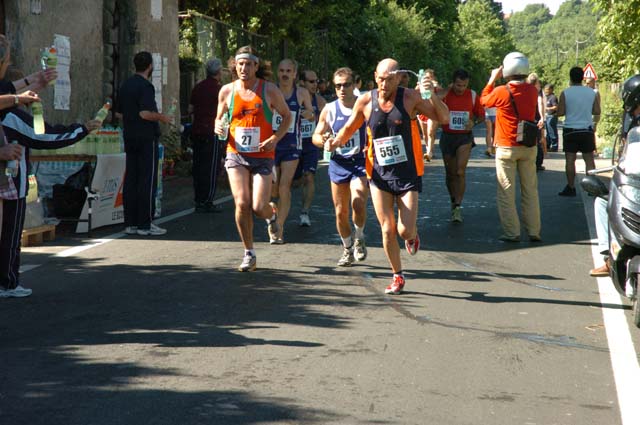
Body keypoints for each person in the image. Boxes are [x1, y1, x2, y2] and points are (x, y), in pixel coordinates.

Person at [330, 58, 449, 295]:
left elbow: (443, 117)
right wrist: (335, 141)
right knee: (387, 229)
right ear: (375, 76)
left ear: (398, 78)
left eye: (389, 79)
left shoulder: (410, 98)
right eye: (381, 79)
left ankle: (412, 236)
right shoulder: (365, 100)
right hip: (379, 173)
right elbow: (350, 128)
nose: (384, 84)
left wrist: (431, 94)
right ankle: (397, 275)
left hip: (407, 173)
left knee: (404, 230)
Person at [0, 97, 101, 298]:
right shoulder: (10, 116)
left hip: (7, 180)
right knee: (9, 234)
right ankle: (7, 282)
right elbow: (43, 136)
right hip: (9, 182)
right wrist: (82, 129)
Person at [214, 45, 292, 272]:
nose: (244, 68)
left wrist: (275, 139)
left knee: (258, 207)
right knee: (241, 203)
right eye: (240, 64)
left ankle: (271, 214)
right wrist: (218, 126)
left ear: (257, 66)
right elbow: (218, 120)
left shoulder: (269, 90)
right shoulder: (227, 91)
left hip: (263, 156)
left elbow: (286, 116)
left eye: (248, 64)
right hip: (235, 153)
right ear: (234, 66)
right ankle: (249, 253)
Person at [481, 52, 541, 242]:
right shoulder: (532, 90)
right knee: (530, 190)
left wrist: (492, 78)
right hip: (529, 145)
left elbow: (484, 101)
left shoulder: (501, 91)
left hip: (506, 146)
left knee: (506, 191)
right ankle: (534, 231)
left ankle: (512, 232)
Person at [312, 67, 369, 266]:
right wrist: (324, 142)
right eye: (338, 86)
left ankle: (359, 236)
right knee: (340, 212)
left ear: (355, 85)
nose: (342, 89)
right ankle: (347, 248)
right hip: (338, 163)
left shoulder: (364, 106)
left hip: (360, 162)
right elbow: (316, 135)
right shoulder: (330, 109)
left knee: (358, 201)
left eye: (346, 84)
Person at [115, 51, 172, 236]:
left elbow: (118, 113)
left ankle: (130, 222)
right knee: (147, 180)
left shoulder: (125, 85)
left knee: (131, 179)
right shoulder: (146, 86)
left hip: (129, 135)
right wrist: (163, 118)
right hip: (146, 137)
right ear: (149, 66)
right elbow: (145, 113)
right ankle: (145, 224)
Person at [270, 58, 314, 243]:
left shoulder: (302, 93)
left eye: (289, 71)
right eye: (281, 70)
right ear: (277, 73)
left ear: (295, 74)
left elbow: (311, 114)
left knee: (284, 186)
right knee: (272, 191)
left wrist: (308, 114)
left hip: (291, 145)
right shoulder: (270, 91)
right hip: (271, 144)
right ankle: (273, 218)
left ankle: (278, 228)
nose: (285, 74)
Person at [438, 68, 484, 223]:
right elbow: (431, 101)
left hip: (464, 137)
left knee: (460, 171)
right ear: (453, 83)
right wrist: (446, 90)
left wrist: (474, 122)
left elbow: (481, 115)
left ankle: (458, 206)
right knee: (450, 173)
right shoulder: (445, 94)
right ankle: (453, 200)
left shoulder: (472, 95)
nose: (461, 89)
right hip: (447, 137)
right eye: (458, 85)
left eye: (464, 85)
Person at [557, 66, 601, 197]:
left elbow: (560, 112)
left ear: (570, 78)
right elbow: (597, 111)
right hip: (587, 130)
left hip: (570, 130)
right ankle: (592, 187)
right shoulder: (591, 93)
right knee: (589, 159)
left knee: (570, 160)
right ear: (583, 78)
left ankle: (571, 187)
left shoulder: (565, 93)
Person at [189, 58, 224, 213]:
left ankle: (198, 199)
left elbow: (190, 108)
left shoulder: (197, 87)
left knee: (198, 166)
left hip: (197, 131)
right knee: (211, 167)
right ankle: (207, 200)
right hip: (212, 131)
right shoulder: (219, 89)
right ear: (219, 72)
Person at [295, 69, 326, 227]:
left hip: (310, 145)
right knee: (291, 182)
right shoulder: (292, 97)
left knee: (309, 177)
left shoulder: (320, 102)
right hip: (293, 144)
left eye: (316, 81)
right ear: (302, 82)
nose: (315, 85)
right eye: (311, 81)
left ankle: (305, 212)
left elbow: (327, 123)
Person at [417, 69, 440, 162]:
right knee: (425, 134)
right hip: (423, 112)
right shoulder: (420, 85)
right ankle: (428, 149)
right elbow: (413, 93)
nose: (428, 79)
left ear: (433, 78)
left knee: (430, 132)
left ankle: (429, 152)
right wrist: (419, 85)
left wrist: (436, 85)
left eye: (430, 77)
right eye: (426, 77)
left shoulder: (435, 85)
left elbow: (443, 93)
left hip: (433, 112)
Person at [527, 73, 546, 171]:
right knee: (538, 141)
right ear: (536, 83)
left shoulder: (525, 90)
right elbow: (540, 104)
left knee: (526, 141)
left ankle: (527, 163)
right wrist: (542, 117)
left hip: (527, 119)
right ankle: (537, 164)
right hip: (536, 120)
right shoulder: (537, 92)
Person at [544, 84, 558, 152]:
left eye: (547, 89)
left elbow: (555, 107)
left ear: (551, 90)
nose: (546, 91)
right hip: (546, 116)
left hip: (552, 116)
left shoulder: (553, 97)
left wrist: (547, 108)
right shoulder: (546, 97)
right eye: (545, 89)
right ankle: (547, 145)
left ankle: (554, 146)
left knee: (552, 132)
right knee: (548, 132)